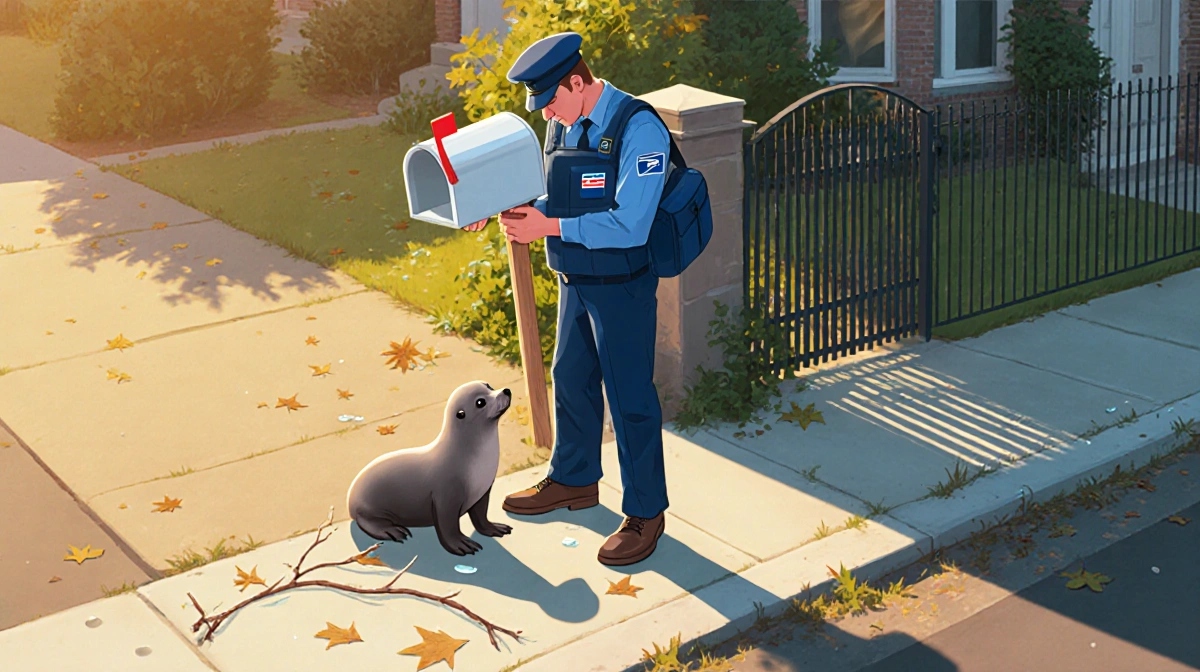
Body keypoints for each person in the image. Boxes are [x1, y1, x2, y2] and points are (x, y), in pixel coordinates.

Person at [463, 31, 670, 566]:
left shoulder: (638, 128)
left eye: (552, 99)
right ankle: (575, 479)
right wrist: (502, 207)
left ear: (578, 82)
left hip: (622, 284)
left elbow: (630, 222)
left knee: (629, 399)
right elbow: (560, 192)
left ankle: (646, 513)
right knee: (571, 379)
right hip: (577, 277)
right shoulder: (562, 119)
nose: (548, 115)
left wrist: (548, 224)